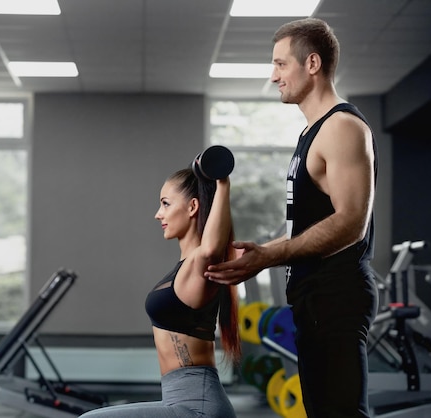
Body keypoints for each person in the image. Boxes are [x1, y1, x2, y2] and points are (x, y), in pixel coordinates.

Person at [204, 17, 379, 418]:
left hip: (336, 294)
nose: (273, 76)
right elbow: (311, 220)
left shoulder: (342, 127)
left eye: (281, 64)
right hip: (312, 297)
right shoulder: (311, 133)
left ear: (312, 64)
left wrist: (269, 256)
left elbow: (352, 221)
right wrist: (263, 252)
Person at [79, 163, 241, 417]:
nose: (158, 214)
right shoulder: (184, 267)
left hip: (197, 407)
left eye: (165, 204)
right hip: (179, 401)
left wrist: (222, 183)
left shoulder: (201, 263)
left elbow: (210, 249)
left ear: (192, 207)